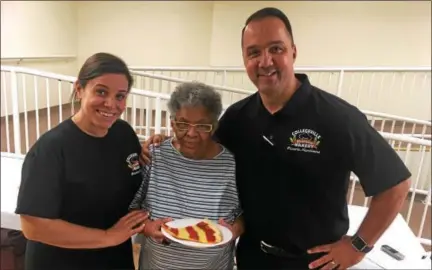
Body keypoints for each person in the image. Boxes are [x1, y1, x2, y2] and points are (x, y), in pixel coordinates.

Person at [140, 7, 412, 270]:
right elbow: (203, 146)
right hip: (251, 258)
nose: (265, 61)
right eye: (254, 52)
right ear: (245, 60)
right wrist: (166, 140)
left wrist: (358, 246)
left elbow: (396, 185)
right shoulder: (237, 118)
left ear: (293, 52)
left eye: (276, 49)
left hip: (314, 263)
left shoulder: (338, 118)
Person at [15, 52, 149, 270]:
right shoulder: (51, 148)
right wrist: (107, 236)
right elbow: (33, 227)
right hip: (62, 262)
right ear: (79, 90)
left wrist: (154, 147)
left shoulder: (123, 134)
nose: (111, 104)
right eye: (101, 91)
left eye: (120, 96)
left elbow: (134, 179)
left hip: (114, 256)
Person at [129, 81, 244, 270]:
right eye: (182, 124)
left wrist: (236, 229)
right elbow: (132, 207)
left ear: (214, 127)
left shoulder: (232, 164)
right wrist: (147, 227)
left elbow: (245, 213)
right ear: (172, 123)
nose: (191, 133)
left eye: (202, 126)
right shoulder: (154, 156)